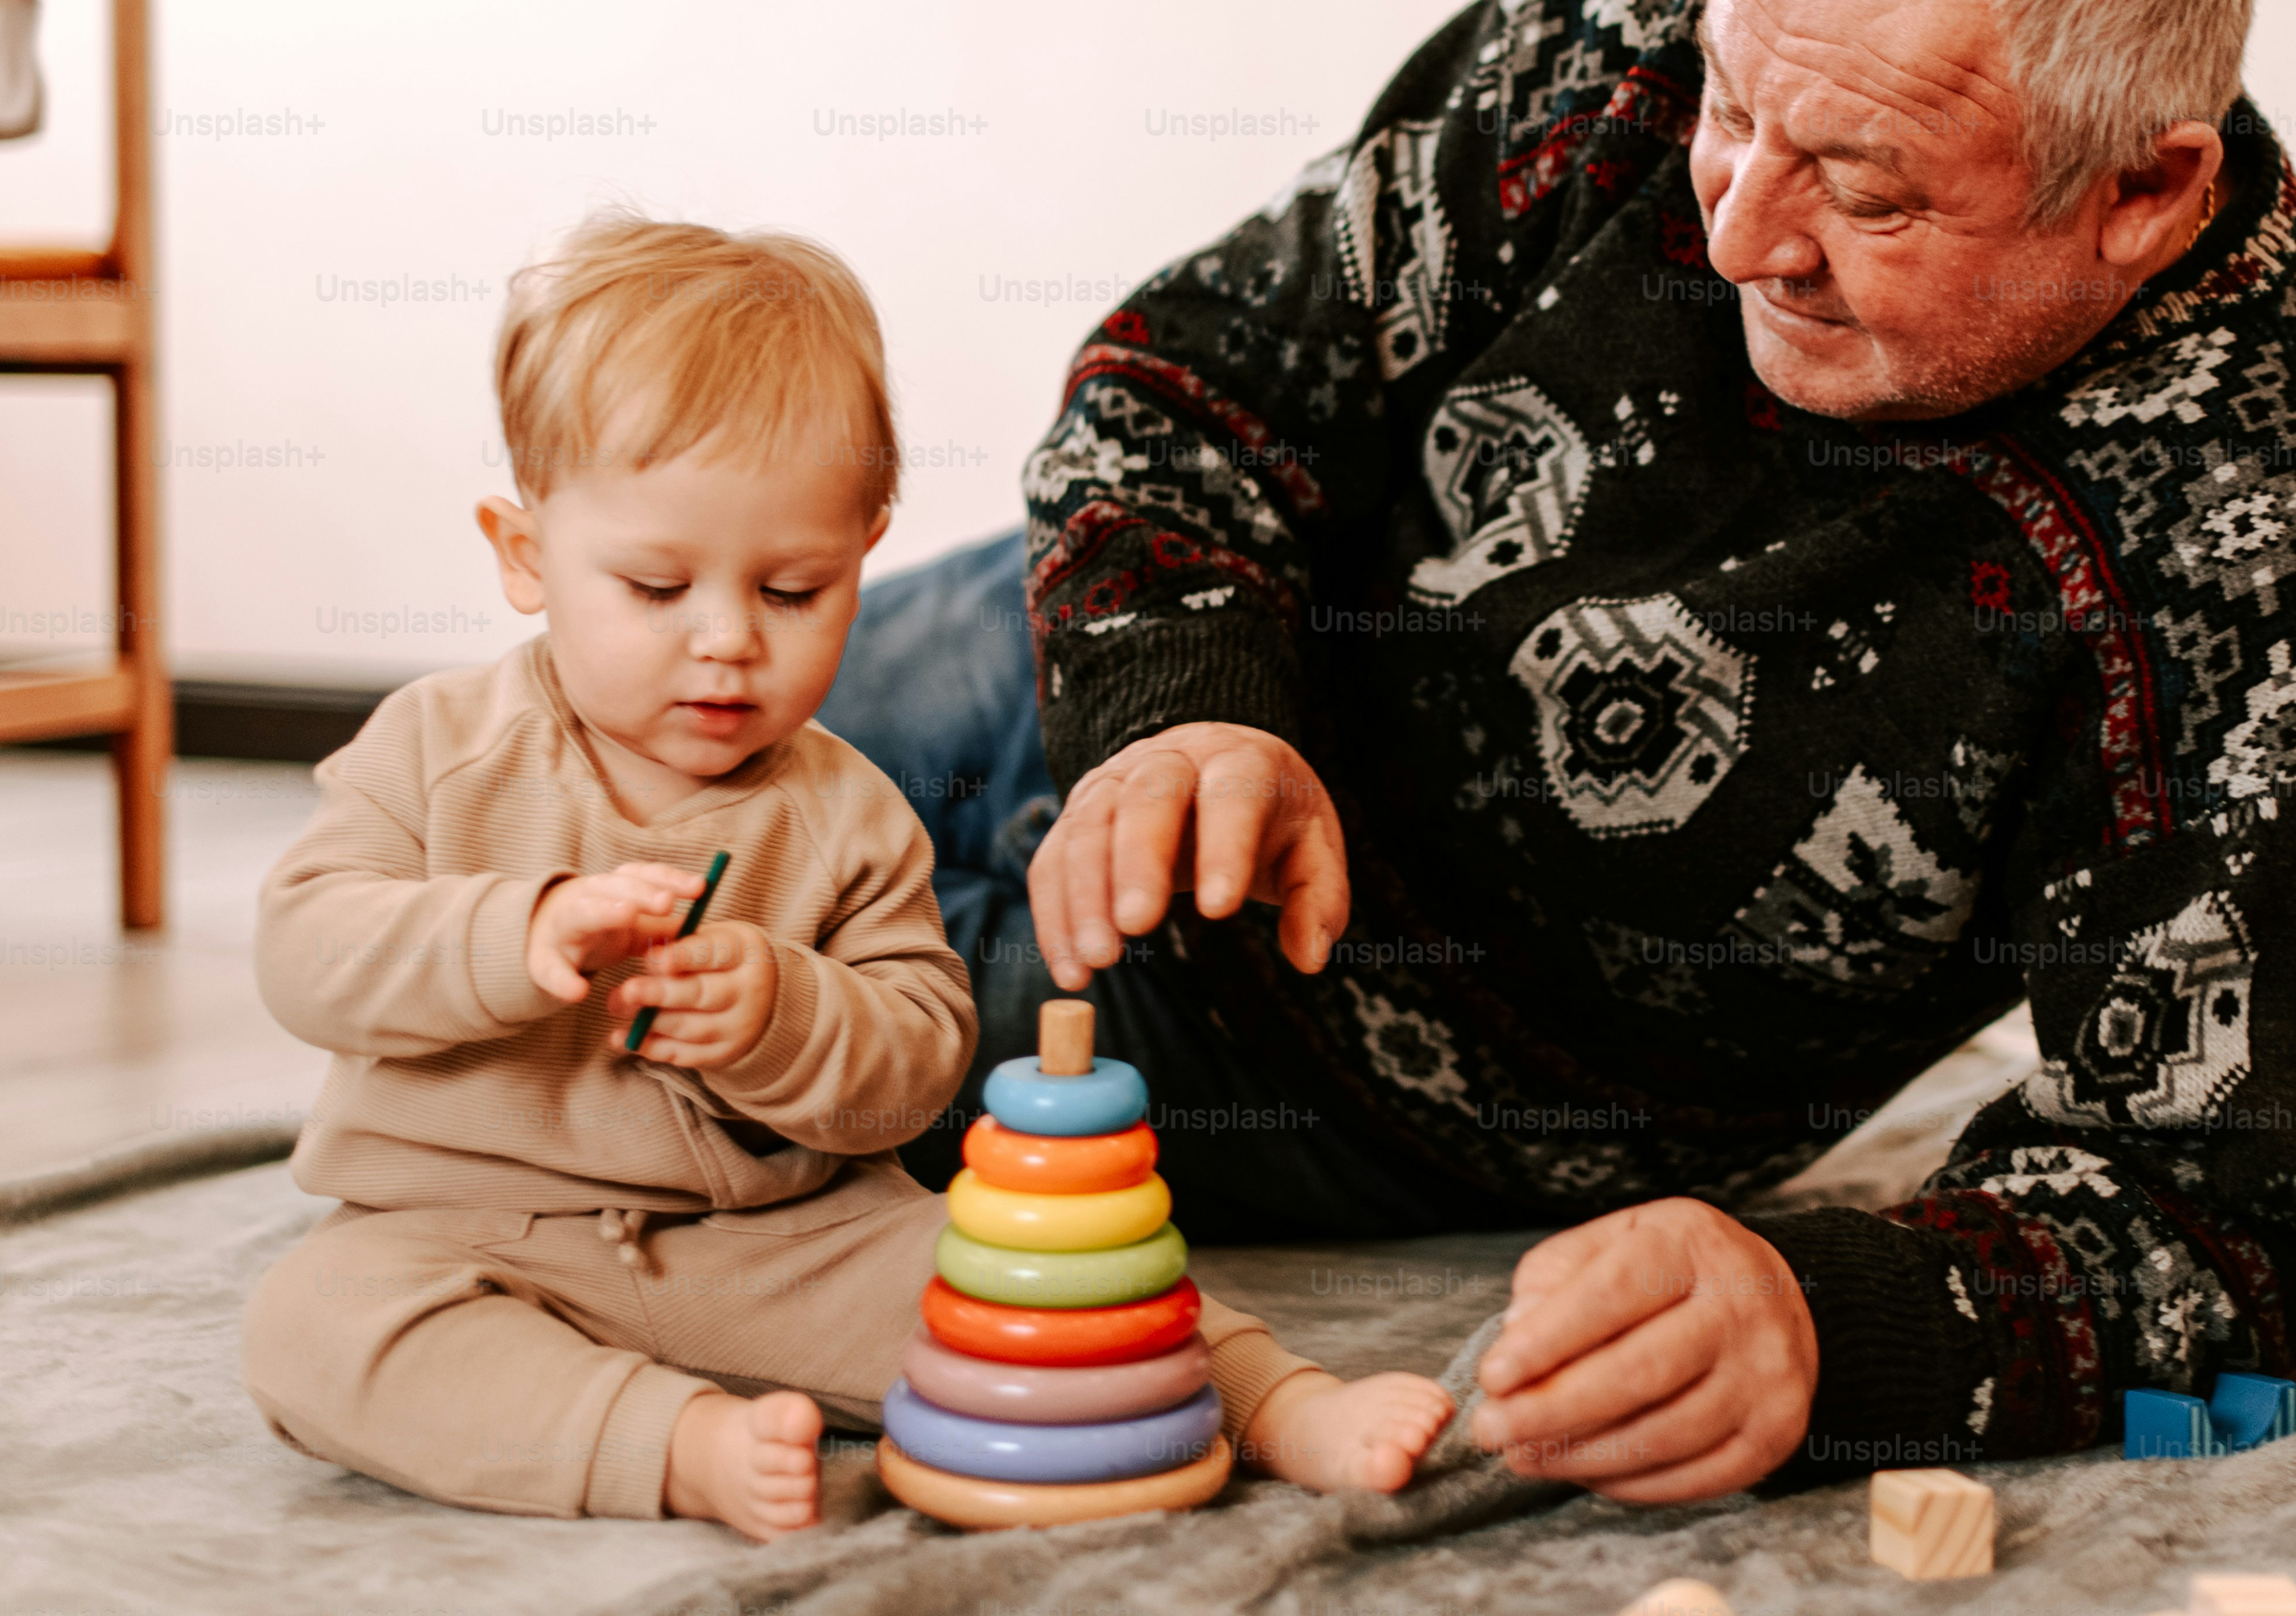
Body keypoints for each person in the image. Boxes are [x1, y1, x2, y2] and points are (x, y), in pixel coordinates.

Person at [830, 0, 2296, 1500]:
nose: (1741, 228)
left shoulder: (2267, 489)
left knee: (598, 1058)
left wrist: (1834, 1320)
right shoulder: (1646, 22)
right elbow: (1199, 373)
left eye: (1866, 190)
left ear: (2141, 191)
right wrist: (1184, 700)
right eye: (1732, 111)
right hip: (1113, 640)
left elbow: (2232, 1220)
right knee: (527, 788)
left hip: (1294, 1054)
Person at [239, 214, 1452, 1540]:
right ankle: (677, 1442)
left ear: (864, 552)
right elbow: (306, 945)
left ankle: (1278, 1399)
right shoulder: (435, 746)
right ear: (526, 552)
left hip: (777, 1239)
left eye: (793, 588)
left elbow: (921, 1053)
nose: (725, 642)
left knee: (1029, 1267)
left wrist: (783, 1013)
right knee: (315, 1326)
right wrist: (509, 929)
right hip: (469, 1232)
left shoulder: (846, 810)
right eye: (655, 585)